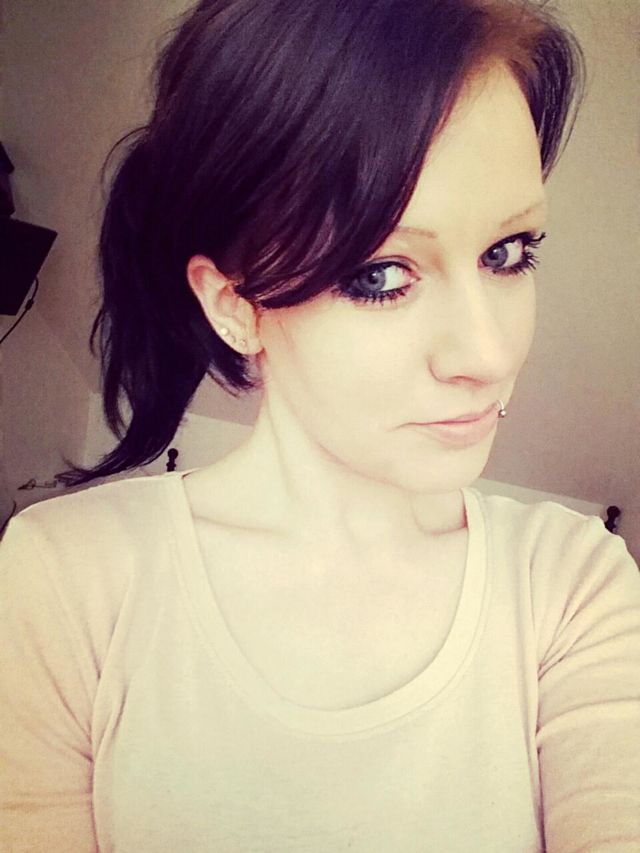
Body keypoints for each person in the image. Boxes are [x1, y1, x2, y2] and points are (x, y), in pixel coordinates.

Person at [1, 0, 639, 850]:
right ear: (235, 305)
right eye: (381, 274)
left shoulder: (572, 584)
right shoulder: (66, 579)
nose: (487, 353)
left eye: (508, 252)